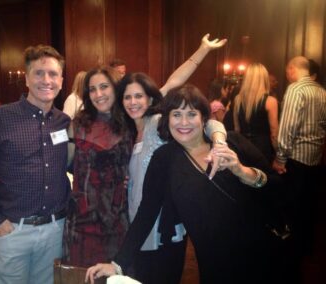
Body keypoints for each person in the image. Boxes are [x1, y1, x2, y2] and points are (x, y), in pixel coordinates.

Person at [86, 85, 282, 284]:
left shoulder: (232, 143)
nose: (184, 122)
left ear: (204, 118)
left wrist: (242, 171)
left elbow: (277, 186)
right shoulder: (165, 159)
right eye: (176, 114)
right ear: (168, 119)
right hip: (215, 264)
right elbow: (147, 211)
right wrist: (118, 263)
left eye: (191, 114)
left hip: (262, 251)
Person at [115, 34, 227, 284]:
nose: (133, 102)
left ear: (150, 98)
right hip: (138, 217)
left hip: (164, 222)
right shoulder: (128, 132)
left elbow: (204, 119)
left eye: (139, 96)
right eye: (127, 97)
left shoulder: (158, 123)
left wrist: (202, 50)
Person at [0, 44, 71, 284]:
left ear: (61, 80)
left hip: (55, 229)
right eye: (38, 73)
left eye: (53, 74)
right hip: (13, 230)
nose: (46, 80)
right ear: (26, 78)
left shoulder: (64, 122)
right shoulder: (0, 118)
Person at [65, 66, 132, 268]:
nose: (98, 94)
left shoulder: (131, 121)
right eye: (92, 89)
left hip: (117, 219)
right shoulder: (78, 123)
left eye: (104, 87)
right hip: (82, 220)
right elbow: (66, 164)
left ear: (116, 88)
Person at [272, 56, 326, 283]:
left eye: (287, 72)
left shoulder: (295, 89)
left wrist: (280, 158)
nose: (287, 76)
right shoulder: (322, 92)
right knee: (308, 207)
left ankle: (288, 256)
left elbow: (288, 127)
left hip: (296, 159)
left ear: (292, 69)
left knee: (291, 209)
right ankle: (305, 250)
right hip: (315, 159)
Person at [233, 63, 279, 163]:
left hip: (243, 147)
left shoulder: (238, 99)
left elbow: (237, 129)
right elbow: (274, 133)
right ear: (264, 79)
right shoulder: (270, 101)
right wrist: (278, 155)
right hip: (262, 149)